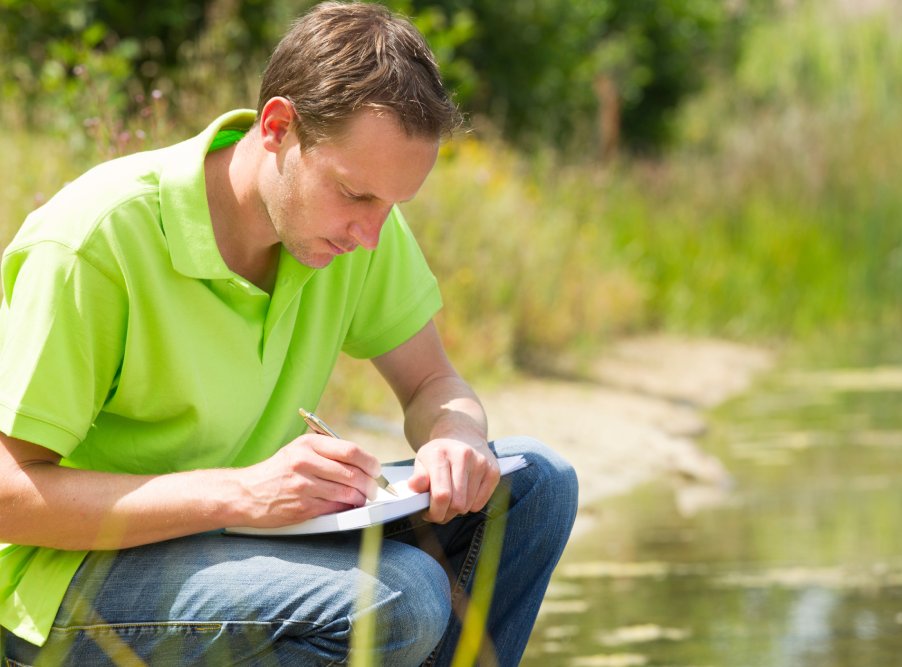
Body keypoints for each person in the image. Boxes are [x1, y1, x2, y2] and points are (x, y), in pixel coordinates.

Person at [0, 2, 578, 665]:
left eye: (393, 206)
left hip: (240, 537)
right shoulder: (96, 241)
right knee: (399, 598)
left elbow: (432, 382)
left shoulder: (358, 230)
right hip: (67, 581)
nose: (371, 235)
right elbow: (8, 497)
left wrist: (457, 437)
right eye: (355, 195)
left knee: (538, 481)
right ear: (277, 127)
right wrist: (244, 491)